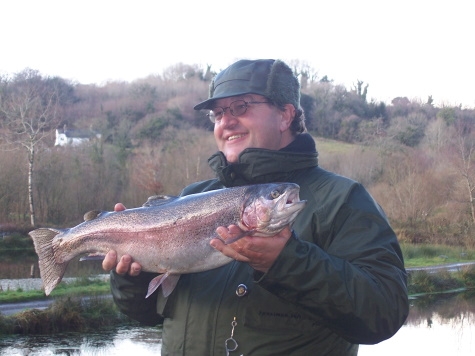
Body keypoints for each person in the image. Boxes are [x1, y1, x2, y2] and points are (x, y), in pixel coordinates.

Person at [103, 59, 409, 355]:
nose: (226, 121)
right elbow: (147, 314)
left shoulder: (342, 199)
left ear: (285, 115)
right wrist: (132, 276)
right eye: (218, 113)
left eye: (241, 107)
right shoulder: (191, 196)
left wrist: (288, 262)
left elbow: (384, 312)